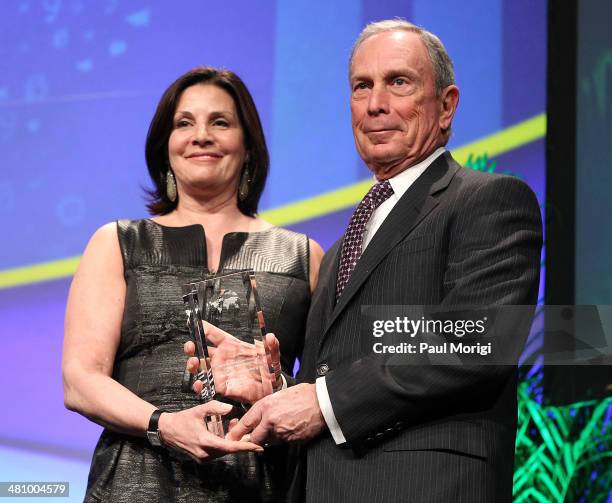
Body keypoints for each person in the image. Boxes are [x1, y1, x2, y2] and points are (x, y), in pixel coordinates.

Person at [222, 20, 543, 502]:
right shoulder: (346, 242)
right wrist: (278, 388)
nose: (375, 104)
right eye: (361, 86)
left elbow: (476, 339)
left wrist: (324, 401)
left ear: (447, 106)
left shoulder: (488, 199)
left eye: (398, 82)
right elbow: (338, 371)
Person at [62, 66, 324, 502]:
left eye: (220, 122)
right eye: (184, 123)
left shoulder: (303, 257)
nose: (201, 135)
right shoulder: (117, 244)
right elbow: (80, 380)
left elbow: (322, 391)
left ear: (248, 147)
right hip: (135, 484)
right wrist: (162, 424)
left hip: (261, 485)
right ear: (165, 148)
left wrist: (278, 390)